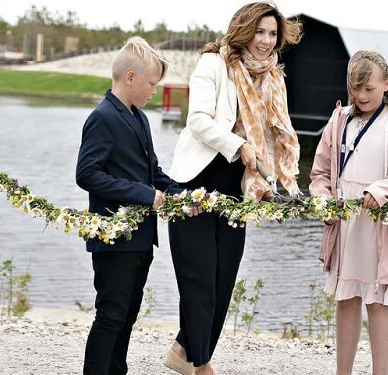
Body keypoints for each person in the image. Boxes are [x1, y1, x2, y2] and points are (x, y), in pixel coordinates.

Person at [164, 2, 302, 374]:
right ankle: (200, 363)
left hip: (236, 189)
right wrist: (238, 146)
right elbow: (197, 121)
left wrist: (271, 182)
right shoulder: (213, 64)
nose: (266, 40)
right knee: (199, 278)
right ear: (244, 29)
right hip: (196, 181)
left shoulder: (274, 77)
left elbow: (272, 139)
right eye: (260, 31)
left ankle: (183, 349)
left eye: (273, 34)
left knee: (223, 280)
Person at [309, 50, 388, 375]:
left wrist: (381, 190)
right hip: (346, 225)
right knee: (346, 300)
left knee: (378, 303)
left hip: (382, 226)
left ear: (386, 83)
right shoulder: (339, 121)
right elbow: (319, 174)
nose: (361, 96)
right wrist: (323, 200)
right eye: (355, 89)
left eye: (369, 89)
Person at [76, 36, 180, 375]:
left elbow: (153, 172)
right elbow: (87, 174)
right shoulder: (102, 117)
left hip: (141, 239)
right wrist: (143, 194)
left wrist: (184, 193)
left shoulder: (140, 118)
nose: (154, 91)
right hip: (113, 237)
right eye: (151, 84)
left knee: (127, 316)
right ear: (131, 77)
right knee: (110, 316)